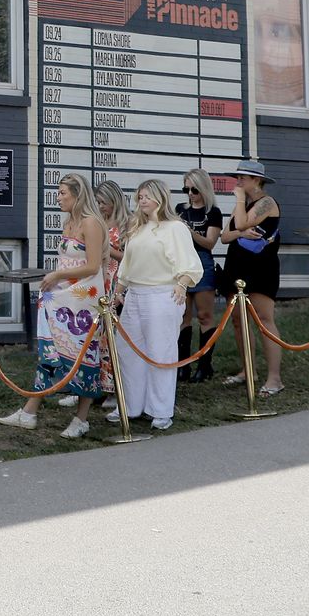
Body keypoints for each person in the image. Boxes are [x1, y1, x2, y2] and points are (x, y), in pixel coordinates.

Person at [0, 174, 108, 439]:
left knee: (85, 356)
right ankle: (29, 411)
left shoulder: (91, 223)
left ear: (77, 195)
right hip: (64, 296)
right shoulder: (69, 222)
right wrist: (56, 281)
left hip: (85, 298)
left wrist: (56, 277)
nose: (58, 198)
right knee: (50, 352)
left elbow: (93, 265)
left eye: (62, 193)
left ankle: (81, 418)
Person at [108, 180, 203, 430]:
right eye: (140, 196)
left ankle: (160, 410)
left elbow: (191, 264)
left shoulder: (175, 227)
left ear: (161, 197)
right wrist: (119, 289)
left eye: (147, 196)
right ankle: (130, 405)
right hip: (135, 295)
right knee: (127, 351)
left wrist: (182, 284)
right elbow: (127, 263)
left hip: (162, 294)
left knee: (160, 352)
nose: (142, 200)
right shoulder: (137, 227)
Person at [218, 159, 284, 396]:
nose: (238, 182)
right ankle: (248, 370)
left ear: (256, 180)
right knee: (238, 320)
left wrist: (238, 206)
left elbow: (243, 222)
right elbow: (225, 236)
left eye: (243, 178)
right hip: (236, 265)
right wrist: (241, 232)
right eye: (238, 178)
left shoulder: (267, 202)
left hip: (260, 267)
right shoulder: (243, 203)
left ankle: (274, 378)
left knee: (264, 321)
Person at [176, 169, 224, 383]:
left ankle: (205, 365)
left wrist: (190, 232)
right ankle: (183, 365)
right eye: (186, 189)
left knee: (204, 315)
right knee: (182, 316)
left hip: (202, 261)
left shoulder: (213, 212)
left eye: (194, 189)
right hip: (182, 262)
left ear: (203, 189)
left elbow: (210, 243)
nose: (190, 194)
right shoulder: (180, 209)